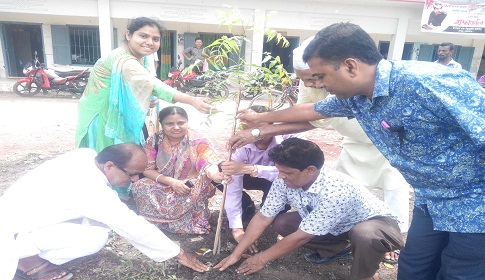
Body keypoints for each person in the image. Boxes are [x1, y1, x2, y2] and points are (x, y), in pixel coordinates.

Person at [236, 22, 485, 280]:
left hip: (474, 202)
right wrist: (260, 120)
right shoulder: (356, 96)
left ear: (350, 66)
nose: (318, 85)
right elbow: (311, 111)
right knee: (415, 267)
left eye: (321, 76)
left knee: (461, 271)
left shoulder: (430, 82)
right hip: (430, 200)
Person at [0, 143, 210, 280]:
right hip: (10, 233)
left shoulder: (86, 156)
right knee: (96, 237)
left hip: (18, 217)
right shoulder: (90, 187)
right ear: (109, 165)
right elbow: (130, 225)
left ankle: (27, 251)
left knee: (98, 226)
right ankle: (26, 261)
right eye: (132, 174)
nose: (135, 180)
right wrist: (178, 253)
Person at [215, 138, 403, 280]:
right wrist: (236, 253)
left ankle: (365, 275)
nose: (280, 177)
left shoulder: (335, 190)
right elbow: (263, 217)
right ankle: (339, 249)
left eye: (287, 173)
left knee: (365, 235)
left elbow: (301, 236)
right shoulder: (284, 179)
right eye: (279, 170)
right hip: (335, 224)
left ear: (310, 170)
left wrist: (261, 259)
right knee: (283, 223)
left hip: (376, 224)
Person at [76, 17, 213, 153]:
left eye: (155, 39)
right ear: (129, 35)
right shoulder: (124, 60)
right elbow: (153, 85)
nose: (149, 42)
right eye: (143, 36)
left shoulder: (141, 58)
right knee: (108, 160)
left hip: (112, 111)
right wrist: (192, 100)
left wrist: (147, 99)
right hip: (103, 115)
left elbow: (139, 85)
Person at [131, 106, 224, 234]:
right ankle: (155, 220)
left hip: (189, 185)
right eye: (170, 124)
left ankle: (190, 222)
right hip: (163, 182)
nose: (176, 127)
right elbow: (147, 169)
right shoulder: (154, 140)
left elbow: (207, 161)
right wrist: (172, 182)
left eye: (181, 123)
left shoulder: (197, 139)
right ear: (162, 125)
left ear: (187, 122)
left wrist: (214, 174)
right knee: (139, 186)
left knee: (197, 186)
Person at [219, 105, 299, 252]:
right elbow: (233, 189)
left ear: (273, 125)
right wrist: (237, 230)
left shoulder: (290, 140)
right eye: (251, 127)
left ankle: (272, 212)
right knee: (221, 173)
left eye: (261, 127)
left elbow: (294, 173)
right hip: (251, 178)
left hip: (278, 180)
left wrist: (252, 169)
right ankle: (246, 207)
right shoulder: (239, 146)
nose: (256, 133)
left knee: (274, 211)